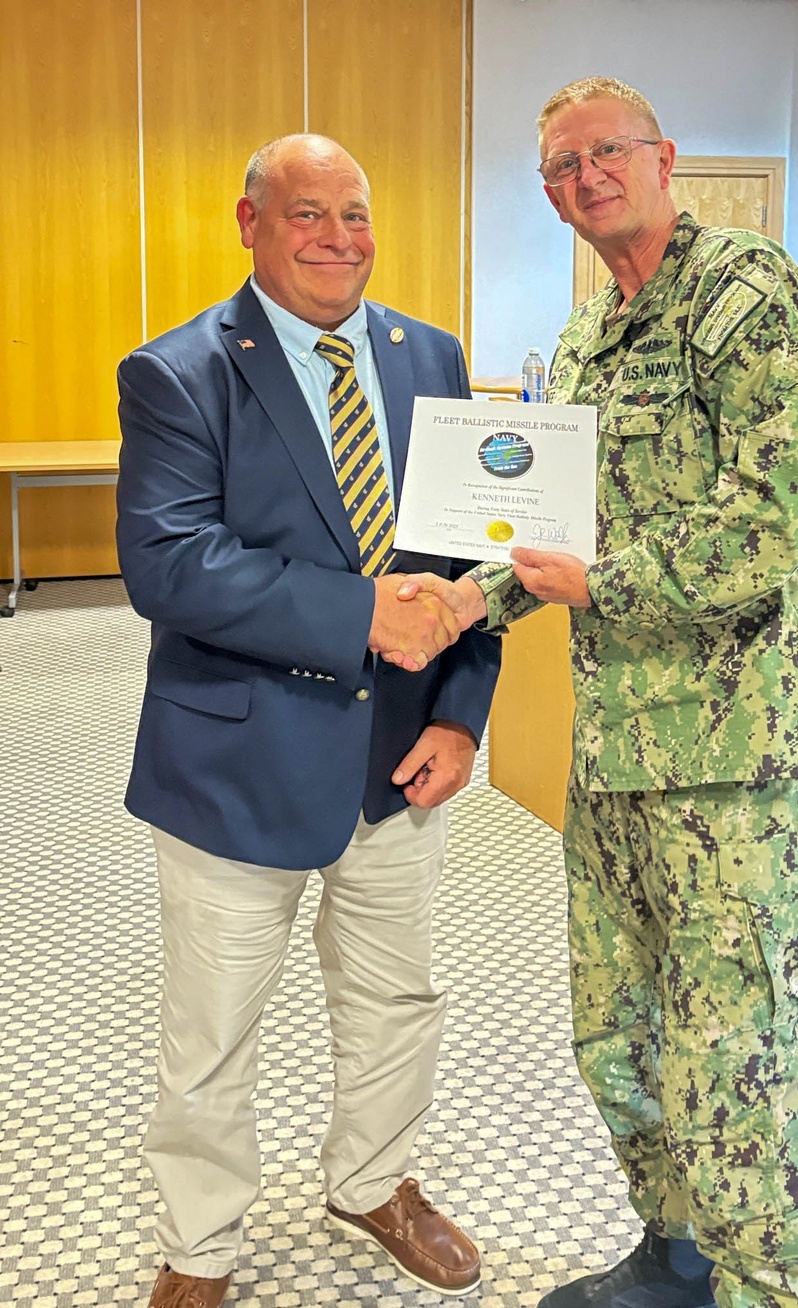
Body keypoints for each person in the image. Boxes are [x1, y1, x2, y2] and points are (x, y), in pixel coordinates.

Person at [408, 78, 798, 1308]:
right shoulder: (585, 337)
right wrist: (468, 600)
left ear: (663, 158)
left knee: (740, 1075)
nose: (584, 179)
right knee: (619, 1047)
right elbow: (555, 525)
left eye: (604, 153)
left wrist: (600, 583)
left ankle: (773, 1290)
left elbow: (776, 524)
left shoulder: (747, 293)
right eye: (559, 168)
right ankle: (679, 1260)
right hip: (615, 758)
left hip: (741, 768)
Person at [116, 133, 500, 1308]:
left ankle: (375, 1182)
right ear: (251, 223)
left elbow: (470, 555)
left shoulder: (430, 356)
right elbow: (170, 564)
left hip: (402, 757)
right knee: (214, 1027)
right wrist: (358, 613)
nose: (339, 238)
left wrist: (463, 715)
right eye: (308, 213)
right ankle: (199, 1247)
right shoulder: (180, 371)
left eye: (356, 213)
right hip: (238, 759)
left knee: (397, 998)